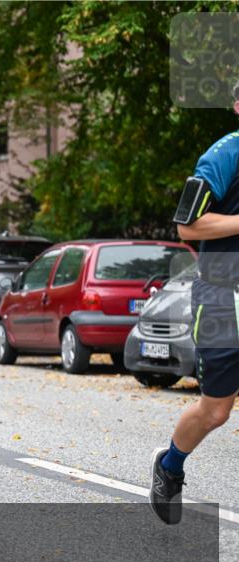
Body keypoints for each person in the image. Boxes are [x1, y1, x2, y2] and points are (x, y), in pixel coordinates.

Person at [149, 84, 239, 524]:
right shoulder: (224, 155)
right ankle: (170, 467)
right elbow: (188, 227)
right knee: (216, 410)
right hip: (222, 294)